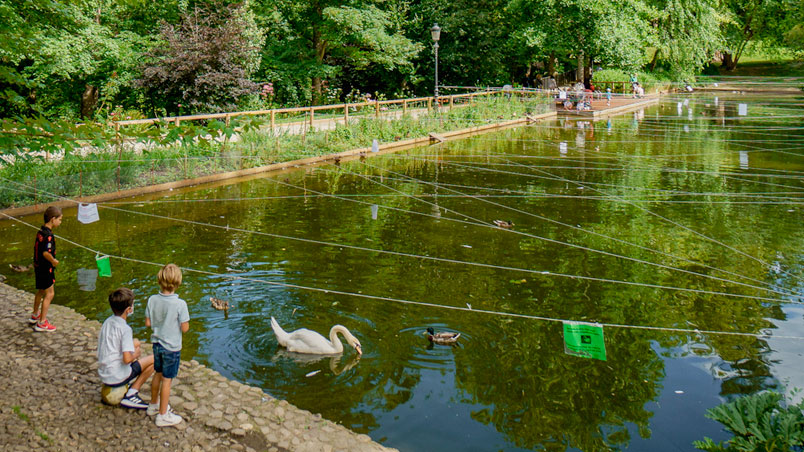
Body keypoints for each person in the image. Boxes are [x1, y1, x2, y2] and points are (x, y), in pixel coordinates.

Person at [145, 264, 190, 427]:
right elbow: (185, 329)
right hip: (171, 348)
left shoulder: (152, 299)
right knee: (167, 380)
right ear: (178, 282)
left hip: (157, 344)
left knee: (157, 373)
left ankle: (153, 405)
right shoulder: (180, 304)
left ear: (160, 280)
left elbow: (148, 323)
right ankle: (163, 415)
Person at [97, 287, 155, 409]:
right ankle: (132, 393)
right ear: (128, 310)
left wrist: (134, 346)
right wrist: (136, 354)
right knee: (156, 359)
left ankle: (128, 387)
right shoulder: (125, 329)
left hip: (105, 373)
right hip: (116, 376)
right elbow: (127, 359)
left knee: (135, 342)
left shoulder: (108, 322)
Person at [30, 206, 62, 332]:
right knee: (50, 293)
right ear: (52, 219)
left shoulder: (40, 232)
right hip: (45, 269)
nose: (60, 222)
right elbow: (45, 253)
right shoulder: (49, 236)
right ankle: (42, 322)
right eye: (60, 219)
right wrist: (54, 261)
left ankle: (35, 314)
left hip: (38, 267)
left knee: (41, 291)